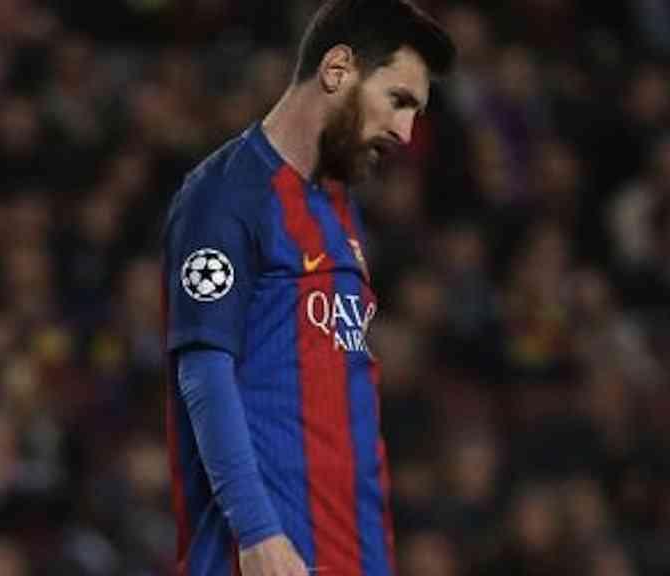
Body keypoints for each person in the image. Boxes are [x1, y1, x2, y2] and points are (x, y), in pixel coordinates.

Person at [160, 1, 455, 574]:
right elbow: (204, 372)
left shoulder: (337, 206)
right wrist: (258, 533)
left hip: (354, 554)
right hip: (266, 558)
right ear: (337, 68)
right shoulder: (224, 197)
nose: (405, 132)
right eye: (398, 101)